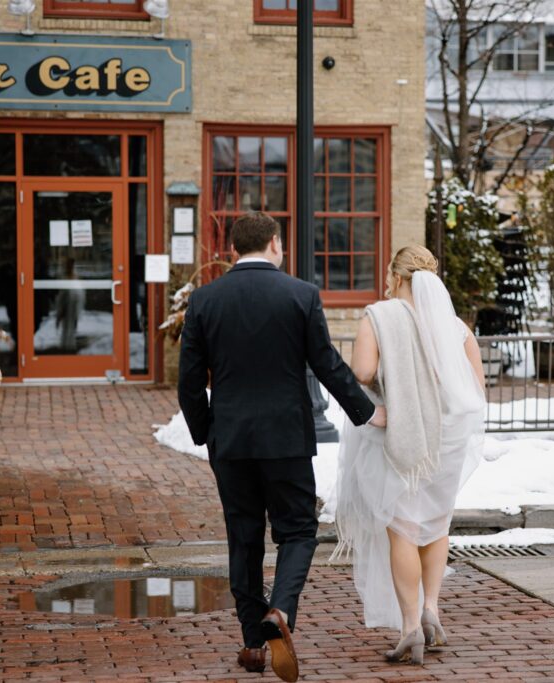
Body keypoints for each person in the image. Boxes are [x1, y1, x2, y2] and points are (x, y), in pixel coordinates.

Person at [178, 212, 386, 682]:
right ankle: (282, 611)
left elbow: (189, 381)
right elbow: (328, 365)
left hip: (230, 440)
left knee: (244, 536)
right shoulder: (301, 295)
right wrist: (368, 412)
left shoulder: (205, 300)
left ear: (234, 248)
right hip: (287, 437)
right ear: (274, 243)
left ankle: (253, 643)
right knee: (297, 530)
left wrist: (205, 430)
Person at [332, 245, 485, 665]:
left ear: (397, 277)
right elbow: (476, 387)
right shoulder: (456, 327)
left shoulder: (379, 317)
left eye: (387, 274)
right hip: (448, 439)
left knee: (402, 527)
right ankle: (432, 606)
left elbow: (363, 372)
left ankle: (410, 626)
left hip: (402, 436)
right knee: (435, 525)